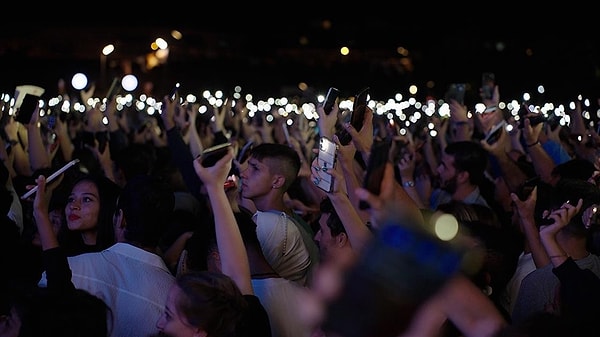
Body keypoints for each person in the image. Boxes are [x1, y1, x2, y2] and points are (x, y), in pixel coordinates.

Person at [37, 174, 176, 337]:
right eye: (71, 199)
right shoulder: (176, 297)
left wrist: (39, 212)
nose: (74, 206)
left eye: (87, 199)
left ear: (120, 218)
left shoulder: (72, 268)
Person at [155, 146, 272, 336]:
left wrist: (215, 187)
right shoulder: (248, 327)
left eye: (169, 315)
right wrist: (214, 187)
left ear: (199, 332)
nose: (159, 323)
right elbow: (236, 276)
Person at [239, 142, 319, 286]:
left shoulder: (271, 224)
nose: (243, 173)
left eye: (255, 168)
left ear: (277, 181)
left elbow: (237, 277)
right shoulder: (287, 217)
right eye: (248, 166)